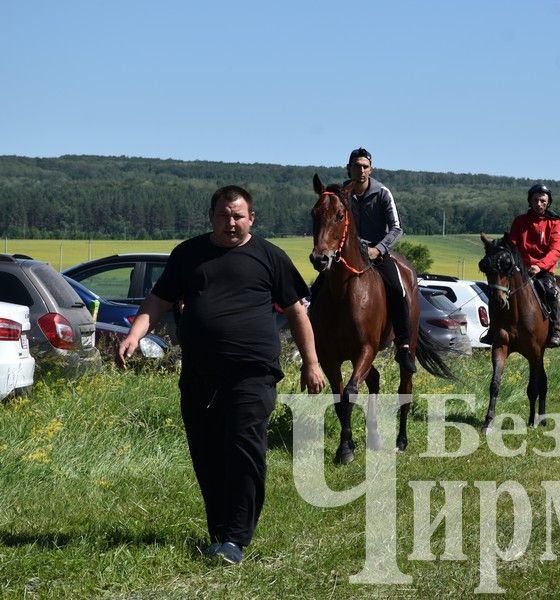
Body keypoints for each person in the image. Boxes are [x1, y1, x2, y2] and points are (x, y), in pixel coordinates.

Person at [117, 185, 326, 565]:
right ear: (211, 216)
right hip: (199, 374)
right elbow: (159, 300)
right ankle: (219, 533)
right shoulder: (188, 254)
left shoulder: (270, 257)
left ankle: (235, 539)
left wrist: (311, 362)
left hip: (252, 373)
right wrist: (135, 333)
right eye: (223, 215)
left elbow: (297, 312)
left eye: (238, 216)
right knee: (208, 452)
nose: (230, 223)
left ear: (251, 218)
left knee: (244, 451)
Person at [343, 147, 417, 372]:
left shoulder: (382, 193)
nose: (361, 170)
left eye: (365, 166)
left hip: (377, 253)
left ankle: (403, 345)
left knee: (397, 288)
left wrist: (379, 249)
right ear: (349, 169)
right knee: (318, 287)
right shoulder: (342, 194)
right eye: (357, 166)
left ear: (371, 169)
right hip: (349, 254)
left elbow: (396, 228)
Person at [509, 183, 560, 347]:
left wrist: (539, 266)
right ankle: (494, 329)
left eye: (542, 200)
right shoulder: (520, 221)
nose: (539, 204)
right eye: (535, 200)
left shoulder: (554, 223)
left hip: (543, 270)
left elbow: (556, 249)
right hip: (520, 269)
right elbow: (512, 244)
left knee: (552, 293)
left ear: (548, 202)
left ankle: (556, 331)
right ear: (530, 201)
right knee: (500, 292)